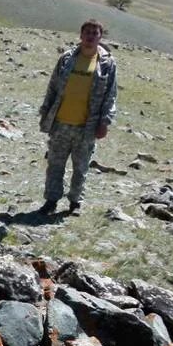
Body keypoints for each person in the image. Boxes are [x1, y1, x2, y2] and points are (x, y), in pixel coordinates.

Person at [38, 19, 117, 216]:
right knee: (55, 164)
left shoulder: (107, 63)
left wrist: (105, 122)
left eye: (95, 33)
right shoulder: (66, 59)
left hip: (87, 126)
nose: (90, 36)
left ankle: (75, 202)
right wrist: (45, 112)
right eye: (87, 32)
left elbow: (110, 94)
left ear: (100, 37)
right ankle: (51, 201)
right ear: (81, 35)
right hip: (61, 123)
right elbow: (53, 86)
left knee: (80, 167)